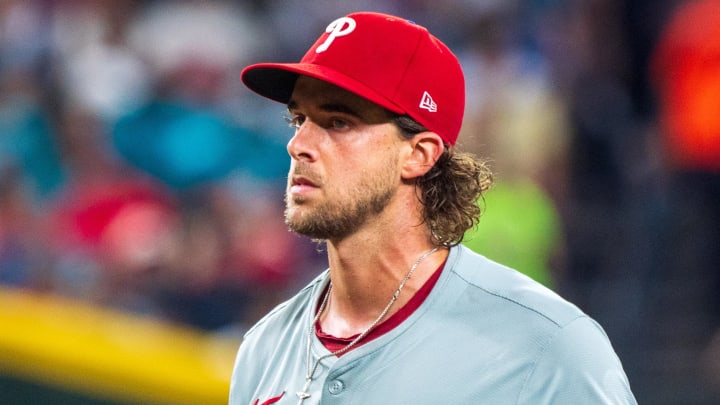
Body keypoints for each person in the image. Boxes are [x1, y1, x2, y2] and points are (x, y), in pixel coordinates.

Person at [229, 11, 636, 405]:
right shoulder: (263, 350)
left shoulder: (547, 347)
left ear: (419, 155)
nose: (298, 145)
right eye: (298, 119)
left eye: (338, 122)